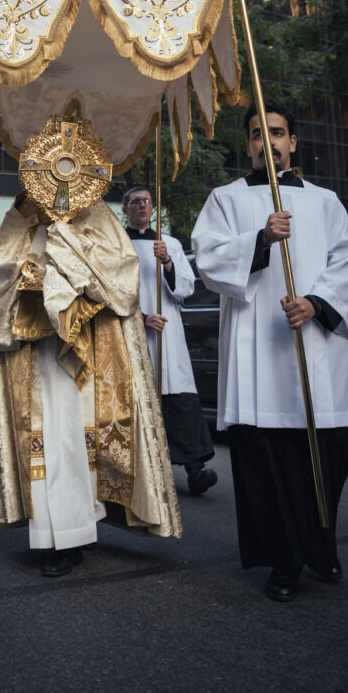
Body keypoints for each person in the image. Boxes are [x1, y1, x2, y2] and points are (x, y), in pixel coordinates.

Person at [192, 98, 348, 602]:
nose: (265, 141)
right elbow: (209, 259)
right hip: (258, 362)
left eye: (275, 132)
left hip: (317, 353)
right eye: (255, 133)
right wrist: (262, 238)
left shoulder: (325, 201)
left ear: (292, 141)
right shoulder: (225, 200)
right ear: (246, 144)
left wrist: (316, 303)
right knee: (268, 467)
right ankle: (285, 561)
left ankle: (322, 544)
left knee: (327, 459)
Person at [0, 187, 182, 579]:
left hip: (88, 349)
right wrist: (27, 274)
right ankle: (59, 533)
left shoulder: (97, 217)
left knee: (78, 442)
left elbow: (121, 279)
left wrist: (67, 250)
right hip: (36, 349)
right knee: (52, 440)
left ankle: (75, 530)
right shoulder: (20, 216)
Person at [122, 187, 217, 496]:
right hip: (133, 330)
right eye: (135, 202)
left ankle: (195, 470)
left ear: (153, 208)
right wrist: (142, 316)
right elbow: (113, 290)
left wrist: (168, 264)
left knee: (179, 399)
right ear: (125, 210)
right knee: (138, 401)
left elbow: (186, 288)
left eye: (147, 201)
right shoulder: (116, 245)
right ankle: (138, 472)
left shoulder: (170, 244)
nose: (142, 206)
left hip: (168, 333)